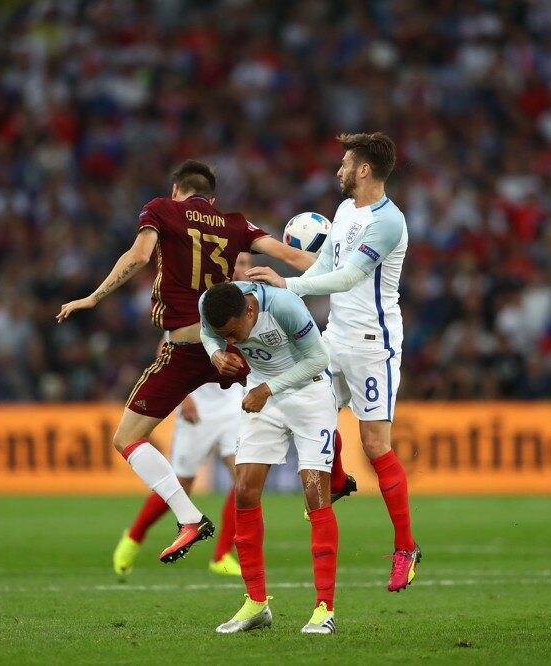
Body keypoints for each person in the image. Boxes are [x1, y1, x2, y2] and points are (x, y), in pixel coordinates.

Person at [57, 160, 313, 564]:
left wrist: (93, 297)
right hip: (232, 345)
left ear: (177, 189)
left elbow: (139, 257)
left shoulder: (161, 209)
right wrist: (350, 275)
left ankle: (189, 519)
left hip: (185, 349)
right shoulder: (235, 225)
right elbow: (292, 257)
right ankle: (331, 474)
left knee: (126, 438)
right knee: (302, 384)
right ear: (211, 199)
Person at [246, 132, 420, 592]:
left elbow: (346, 279)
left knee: (375, 445)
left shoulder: (388, 223)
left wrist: (286, 288)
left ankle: (406, 547)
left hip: (372, 344)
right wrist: (282, 278)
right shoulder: (344, 211)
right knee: (314, 405)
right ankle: (339, 480)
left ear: (365, 170)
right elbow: (324, 265)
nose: (338, 170)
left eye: (345, 163)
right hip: (335, 336)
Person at [200, 281, 339, 635]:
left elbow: (318, 359)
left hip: (309, 395)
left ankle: (324, 610)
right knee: (244, 490)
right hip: (262, 396)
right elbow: (209, 336)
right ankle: (256, 604)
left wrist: (267, 388)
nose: (232, 341)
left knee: (315, 495)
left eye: (233, 333)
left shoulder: (284, 307)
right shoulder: (210, 304)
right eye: (224, 335)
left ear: (249, 310)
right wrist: (216, 353)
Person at [112, 254, 257, 577]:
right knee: (181, 486)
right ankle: (133, 538)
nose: (245, 268)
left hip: (231, 404)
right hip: (197, 410)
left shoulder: (250, 306)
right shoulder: (203, 301)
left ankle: (221, 556)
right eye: (241, 262)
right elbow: (168, 349)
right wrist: (185, 397)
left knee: (245, 479)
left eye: (248, 263)